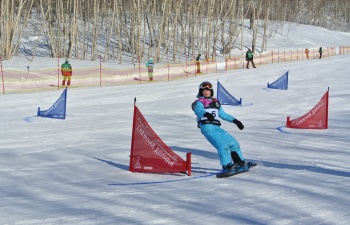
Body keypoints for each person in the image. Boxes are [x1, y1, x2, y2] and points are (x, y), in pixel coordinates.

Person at [191, 81, 248, 172]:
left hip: (216, 127)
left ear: (211, 91)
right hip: (207, 127)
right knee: (222, 145)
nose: (206, 92)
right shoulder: (198, 102)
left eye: (208, 90)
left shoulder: (215, 102)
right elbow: (198, 110)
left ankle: (239, 162)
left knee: (233, 143)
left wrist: (235, 121)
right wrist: (206, 114)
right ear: (200, 91)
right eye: (204, 90)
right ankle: (226, 166)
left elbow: (223, 114)